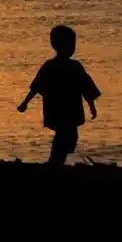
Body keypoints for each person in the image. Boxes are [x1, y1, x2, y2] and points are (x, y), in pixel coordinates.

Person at [18, 24, 100, 166]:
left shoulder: (67, 66)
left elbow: (86, 87)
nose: (73, 48)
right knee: (66, 135)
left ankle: (56, 160)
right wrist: (25, 102)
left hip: (58, 109)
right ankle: (55, 162)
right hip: (65, 109)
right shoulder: (63, 66)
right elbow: (37, 86)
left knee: (66, 137)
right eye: (72, 44)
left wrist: (92, 106)